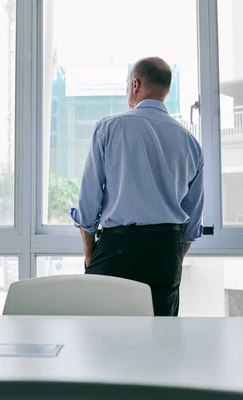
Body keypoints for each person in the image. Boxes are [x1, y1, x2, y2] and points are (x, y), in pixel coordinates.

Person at [71, 57, 204, 317]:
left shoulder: (109, 128)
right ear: (165, 89)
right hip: (165, 253)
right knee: (160, 342)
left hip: (118, 249)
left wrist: (90, 253)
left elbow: (88, 202)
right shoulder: (190, 142)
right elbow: (192, 221)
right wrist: (172, 255)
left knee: (102, 339)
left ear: (135, 84)